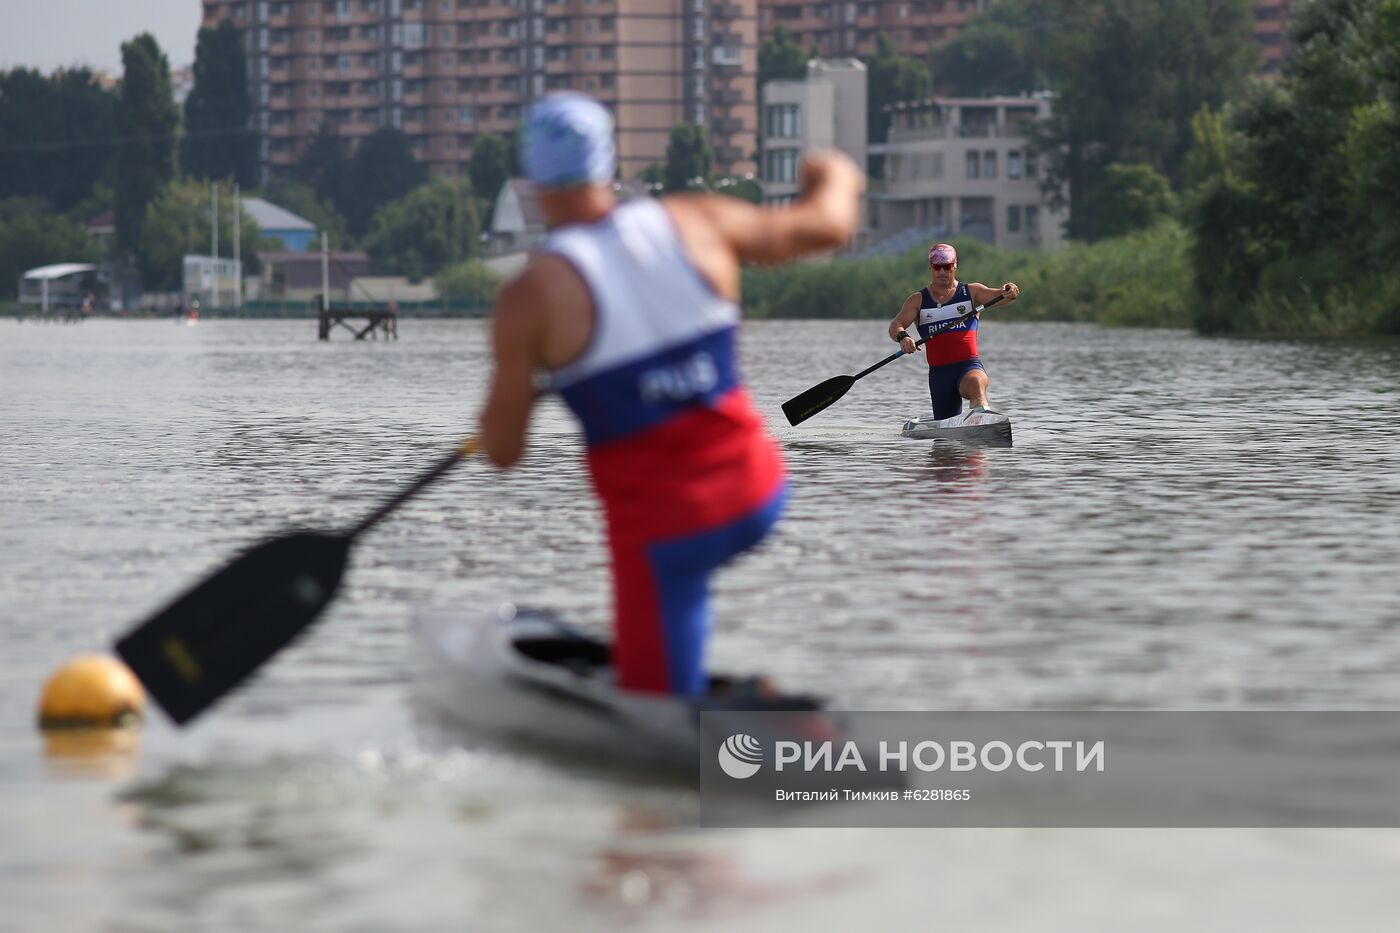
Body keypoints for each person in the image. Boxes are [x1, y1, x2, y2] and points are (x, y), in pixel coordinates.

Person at [479, 93, 863, 697]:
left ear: (533, 183)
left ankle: (729, 731)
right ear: (608, 164)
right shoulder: (697, 219)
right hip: (760, 490)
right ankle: (732, 704)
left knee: (654, 707)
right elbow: (828, 225)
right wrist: (837, 175)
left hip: (666, 534)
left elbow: (502, 450)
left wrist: (526, 383)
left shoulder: (530, 296)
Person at [886, 243, 1020, 420]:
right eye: (937, 267)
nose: (942, 272)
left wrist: (1009, 291)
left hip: (968, 366)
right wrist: (903, 337)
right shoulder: (918, 300)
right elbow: (896, 325)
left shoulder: (971, 292)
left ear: (955, 266)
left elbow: (1001, 296)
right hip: (940, 375)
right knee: (943, 444)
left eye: (947, 266)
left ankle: (981, 418)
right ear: (931, 268)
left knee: (976, 383)